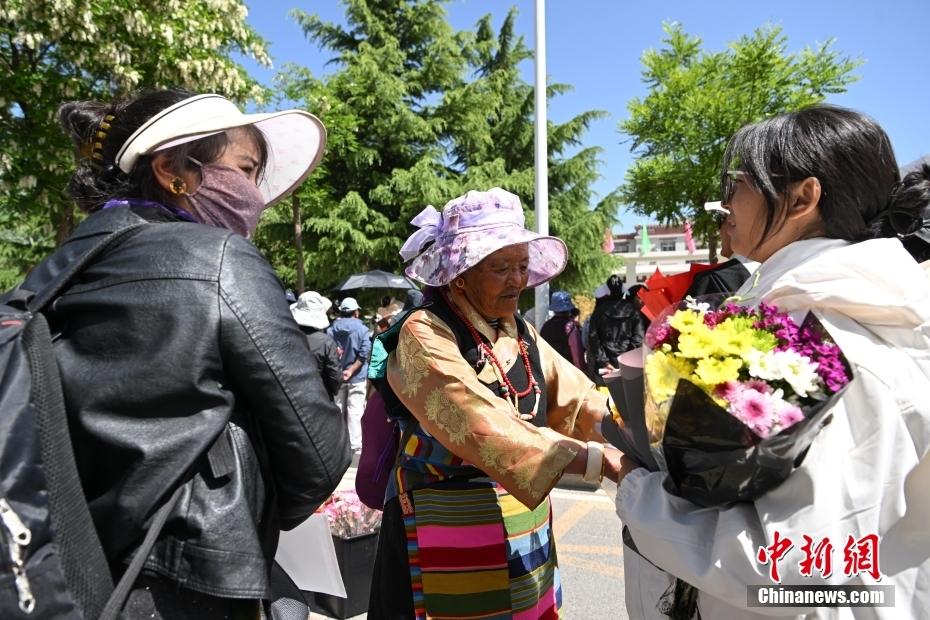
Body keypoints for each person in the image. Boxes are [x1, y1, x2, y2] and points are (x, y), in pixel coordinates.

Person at [19, 89, 350, 618]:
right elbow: (319, 454)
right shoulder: (217, 259)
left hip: (72, 573)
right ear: (172, 169)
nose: (254, 193)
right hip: (192, 580)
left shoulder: (51, 273)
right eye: (245, 169)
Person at [614, 106, 930, 619]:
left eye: (737, 183)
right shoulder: (866, 310)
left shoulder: (820, 343)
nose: (725, 202)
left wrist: (638, 490)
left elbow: (791, 567)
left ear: (803, 198)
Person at [369, 188, 628, 620]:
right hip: (443, 522)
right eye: (501, 267)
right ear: (461, 274)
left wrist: (627, 427)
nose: (517, 280)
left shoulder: (516, 328)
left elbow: (576, 397)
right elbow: (475, 419)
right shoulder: (424, 331)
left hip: (522, 523)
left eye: (522, 266)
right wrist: (597, 461)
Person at [684, 202, 760, 298]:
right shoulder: (774, 271)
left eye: (720, 220)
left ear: (734, 223)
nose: (718, 230)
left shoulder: (712, 280)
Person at [327, 297, 371, 453]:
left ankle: (336, 443)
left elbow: (329, 353)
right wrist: (351, 370)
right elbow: (364, 353)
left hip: (337, 376)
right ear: (356, 312)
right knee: (355, 410)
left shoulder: (331, 329)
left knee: (337, 409)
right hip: (357, 377)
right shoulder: (363, 329)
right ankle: (354, 444)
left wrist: (339, 371)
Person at [587, 275, 647, 379]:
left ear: (606, 293)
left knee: (604, 390)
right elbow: (638, 339)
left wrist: (604, 362)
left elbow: (593, 340)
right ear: (623, 292)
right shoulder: (634, 312)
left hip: (604, 369)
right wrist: (627, 360)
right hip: (629, 368)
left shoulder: (598, 313)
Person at [291, 291, 343, 400]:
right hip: (321, 398)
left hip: (293, 397)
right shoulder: (326, 342)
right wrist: (333, 391)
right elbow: (335, 377)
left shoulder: (288, 337)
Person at [540, 290, 586, 371]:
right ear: (568, 309)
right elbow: (577, 353)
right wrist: (582, 371)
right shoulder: (570, 326)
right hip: (567, 370)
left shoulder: (545, 326)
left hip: (549, 370)